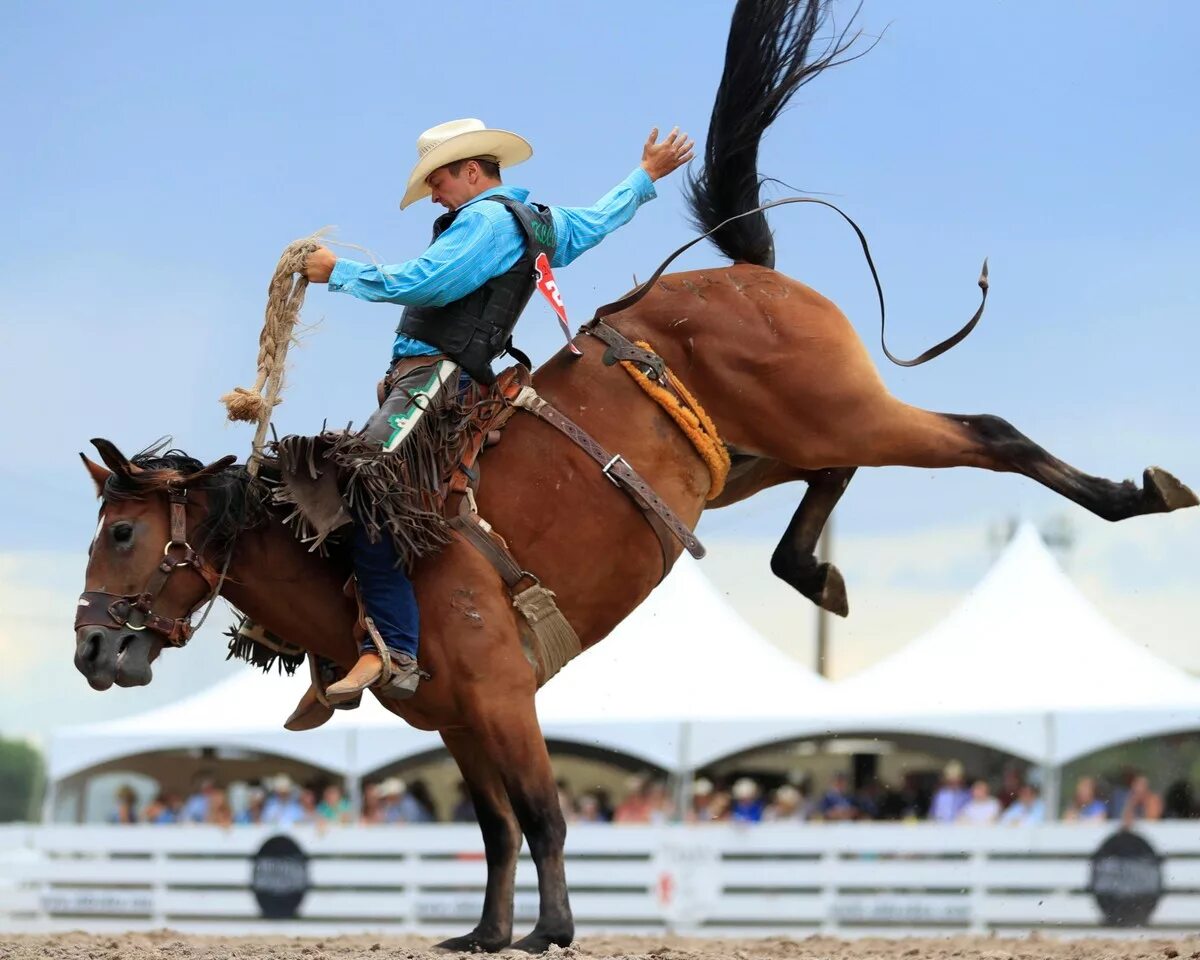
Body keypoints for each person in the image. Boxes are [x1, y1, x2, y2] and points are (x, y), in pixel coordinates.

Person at [285, 118, 694, 731]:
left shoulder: (484, 220)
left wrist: (336, 272)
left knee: (351, 488)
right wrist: (644, 178)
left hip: (434, 381)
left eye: (439, 179)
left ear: (472, 171)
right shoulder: (536, 223)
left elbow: (424, 281)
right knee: (352, 491)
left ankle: (385, 646)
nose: (434, 193)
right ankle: (346, 642)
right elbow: (594, 223)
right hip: (446, 382)